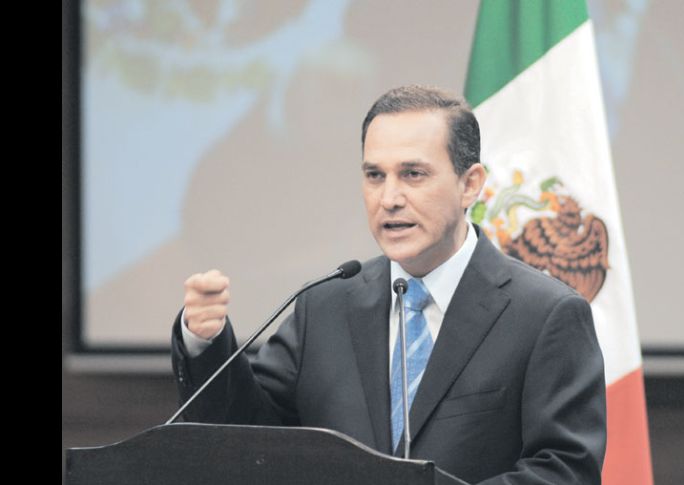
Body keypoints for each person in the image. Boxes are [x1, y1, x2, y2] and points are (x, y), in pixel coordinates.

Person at [171, 85, 606, 484]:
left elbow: (565, 470)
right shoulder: (324, 307)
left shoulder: (544, 315)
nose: (389, 198)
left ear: (469, 184)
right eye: (375, 175)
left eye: (413, 174)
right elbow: (248, 442)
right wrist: (205, 342)